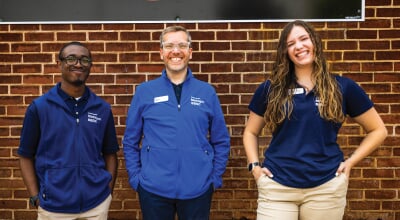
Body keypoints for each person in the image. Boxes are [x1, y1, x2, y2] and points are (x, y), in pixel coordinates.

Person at [243, 20, 387, 220]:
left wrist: (351, 162)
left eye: (303, 39)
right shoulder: (270, 89)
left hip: (326, 187)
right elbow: (250, 132)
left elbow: (378, 130)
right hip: (277, 186)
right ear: (285, 51)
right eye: (291, 43)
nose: (299, 46)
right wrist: (254, 167)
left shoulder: (342, 87)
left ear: (315, 43)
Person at [123, 25, 230, 220]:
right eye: (169, 45)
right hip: (153, 189)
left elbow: (221, 140)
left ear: (190, 51)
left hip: (198, 188)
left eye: (182, 45)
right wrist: (136, 179)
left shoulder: (206, 92)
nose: (176, 51)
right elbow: (130, 141)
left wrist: (214, 179)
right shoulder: (145, 92)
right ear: (161, 52)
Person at [18, 41, 119, 220]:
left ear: (90, 66)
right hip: (54, 208)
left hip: (96, 206)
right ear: (59, 64)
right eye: (71, 58)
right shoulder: (40, 108)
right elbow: (25, 155)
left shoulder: (102, 109)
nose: (78, 64)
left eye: (84, 60)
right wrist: (35, 196)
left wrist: (107, 193)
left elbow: (110, 154)